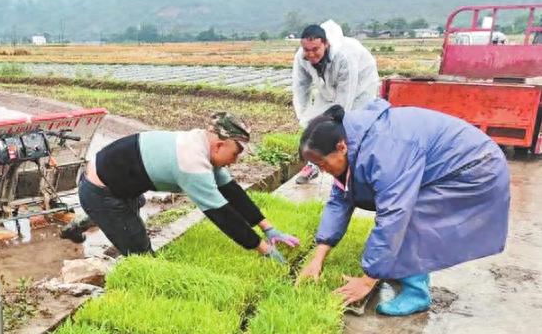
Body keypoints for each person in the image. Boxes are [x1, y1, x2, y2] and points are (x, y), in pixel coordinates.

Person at [297, 100, 510, 316]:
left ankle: (417, 293)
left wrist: (368, 279)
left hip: (475, 168)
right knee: (399, 210)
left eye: (323, 164)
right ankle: (402, 269)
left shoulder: (383, 151)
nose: (323, 171)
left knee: (412, 215)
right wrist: (317, 259)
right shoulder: (356, 143)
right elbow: (340, 199)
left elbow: (394, 216)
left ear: (341, 147)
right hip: (455, 166)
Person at [78, 112, 300, 261]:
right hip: (101, 192)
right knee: (142, 255)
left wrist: (267, 227)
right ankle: (98, 216)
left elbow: (231, 191)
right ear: (220, 145)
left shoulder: (201, 144)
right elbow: (222, 215)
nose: (235, 161)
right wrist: (263, 249)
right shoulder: (191, 163)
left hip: (121, 185)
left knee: (132, 215)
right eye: (235, 154)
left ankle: (92, 220)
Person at [292, 21, 380, 184]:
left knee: (353, 127)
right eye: (306, 50)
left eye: (315, 49)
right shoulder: (301, 57)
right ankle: (314, 165)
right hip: (327, 88)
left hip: (360, 87)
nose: (310, 54)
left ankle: (354, 168)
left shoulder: (345, 56)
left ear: (326, 44)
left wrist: (335, 125)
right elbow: (300, 87)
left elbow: (344, 102)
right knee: (313, 123)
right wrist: (303, 117)